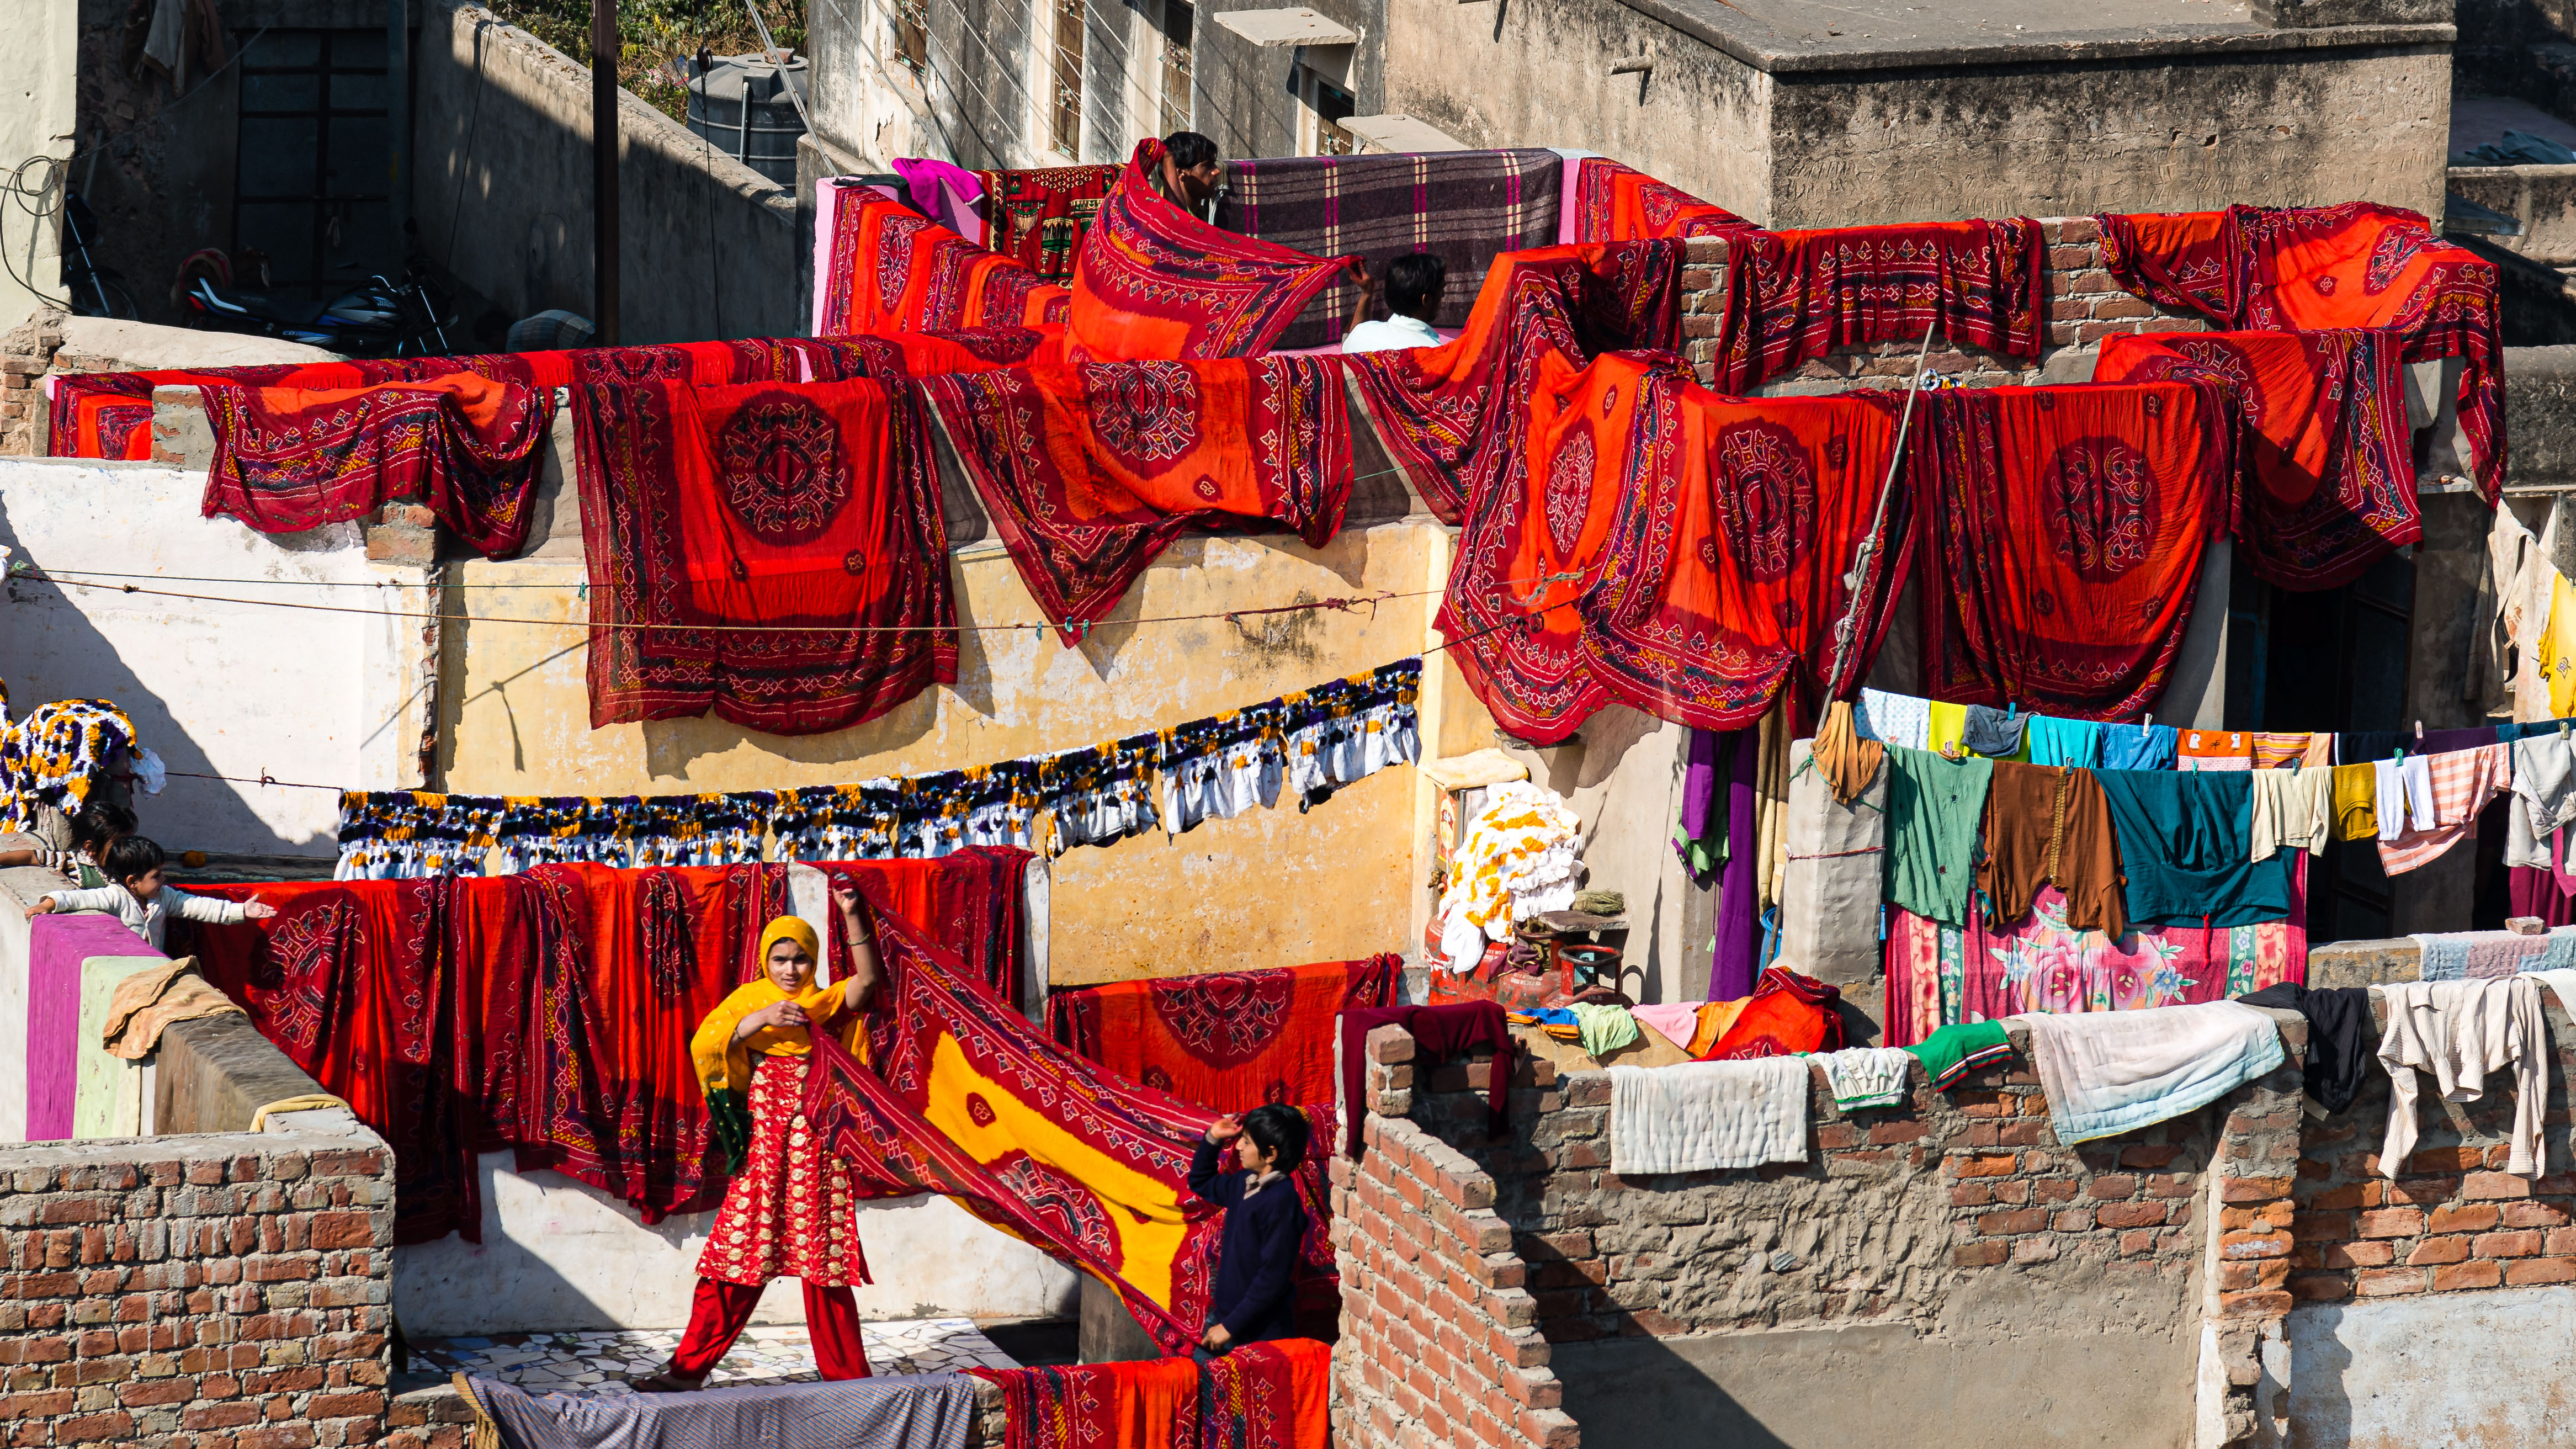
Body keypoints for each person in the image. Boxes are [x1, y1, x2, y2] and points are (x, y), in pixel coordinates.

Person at [637, 882, 884, 1392]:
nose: (790, 970)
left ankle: (851, 1382)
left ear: (812, 961)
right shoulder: (749, 1003)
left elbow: (869, 981)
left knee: (825, 1269)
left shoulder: (826, 1002)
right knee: (733, 1260)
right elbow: (708, 1041)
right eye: (779, 959)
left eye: (799, 959)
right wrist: (761, 1019)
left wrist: (852, 914)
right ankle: (687, 1372)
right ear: (765, 962)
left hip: (817, 1157)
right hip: (764, 1159)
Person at [1187, 1103, 1313, 1354]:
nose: (1238, 1147)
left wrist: (1229, 1327)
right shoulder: (1244, 1184)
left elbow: (1272, 1279)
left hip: (1258, 1336)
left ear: (1271, 1154)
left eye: (1246, 1142)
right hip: (1225, 1321)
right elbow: (1201, 1182)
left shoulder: (1282, 1203)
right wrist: (1212, 1138)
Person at [31, 835, 272, 948]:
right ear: (132, 882)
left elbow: (200, 906)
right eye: (156, 876)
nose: (163, 879)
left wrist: (241, 910)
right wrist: (48, 904)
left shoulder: (165, 897)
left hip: (153, 966)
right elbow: (78, 899)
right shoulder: (114, 897)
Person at [0, 801, 135, 885]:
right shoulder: (71, 862)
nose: (128, 848)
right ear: (91, 848)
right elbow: (33, 857)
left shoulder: (132, 865)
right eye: (118, 843)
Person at [1341, 253, 1447, 354]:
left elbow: (1348, 341)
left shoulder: (1362, 333)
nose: (1443, 294)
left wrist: (1367, 292)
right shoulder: (1435, 353)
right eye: (1441, 289)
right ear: (1426, 300)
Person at [1152, 130, 1224, 221]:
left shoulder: (1199, 214)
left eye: (1214, 164)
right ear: (1181, 173)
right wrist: (1168, 159)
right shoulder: (1163, 219)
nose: (1217, 171)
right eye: (1207, 166)